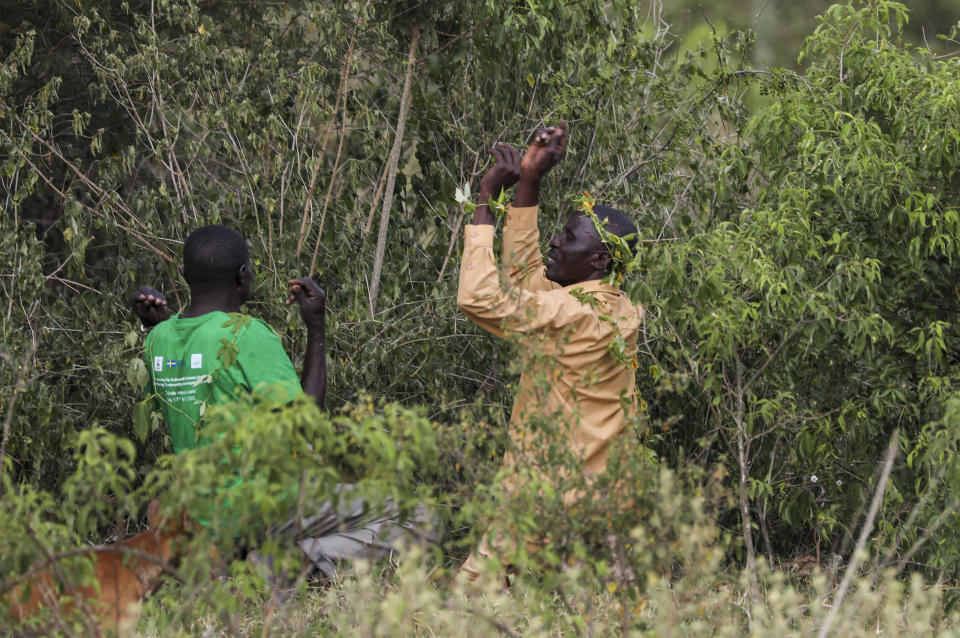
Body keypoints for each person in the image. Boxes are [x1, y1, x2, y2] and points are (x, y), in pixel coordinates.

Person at [131, 224, 432, 584]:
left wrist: (153, 323)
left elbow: (186, 352)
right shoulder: (245, 333)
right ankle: (286, 566)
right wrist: (316, 328)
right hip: (263, 510)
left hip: (202, 516)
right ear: (243, 276)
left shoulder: (156, 340)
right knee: (418, 517)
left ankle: (230, 561)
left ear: (185, 276)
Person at [456, 122, 645, 582]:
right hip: (597, 507)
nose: (556, 242)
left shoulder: (576, 316)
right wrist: (530, 180)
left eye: (570, 237)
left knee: (459, 613)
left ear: (599, 260)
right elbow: (527, 283)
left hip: (545, 502)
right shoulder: (614, 308)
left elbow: (479, 298)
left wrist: (485, 199)